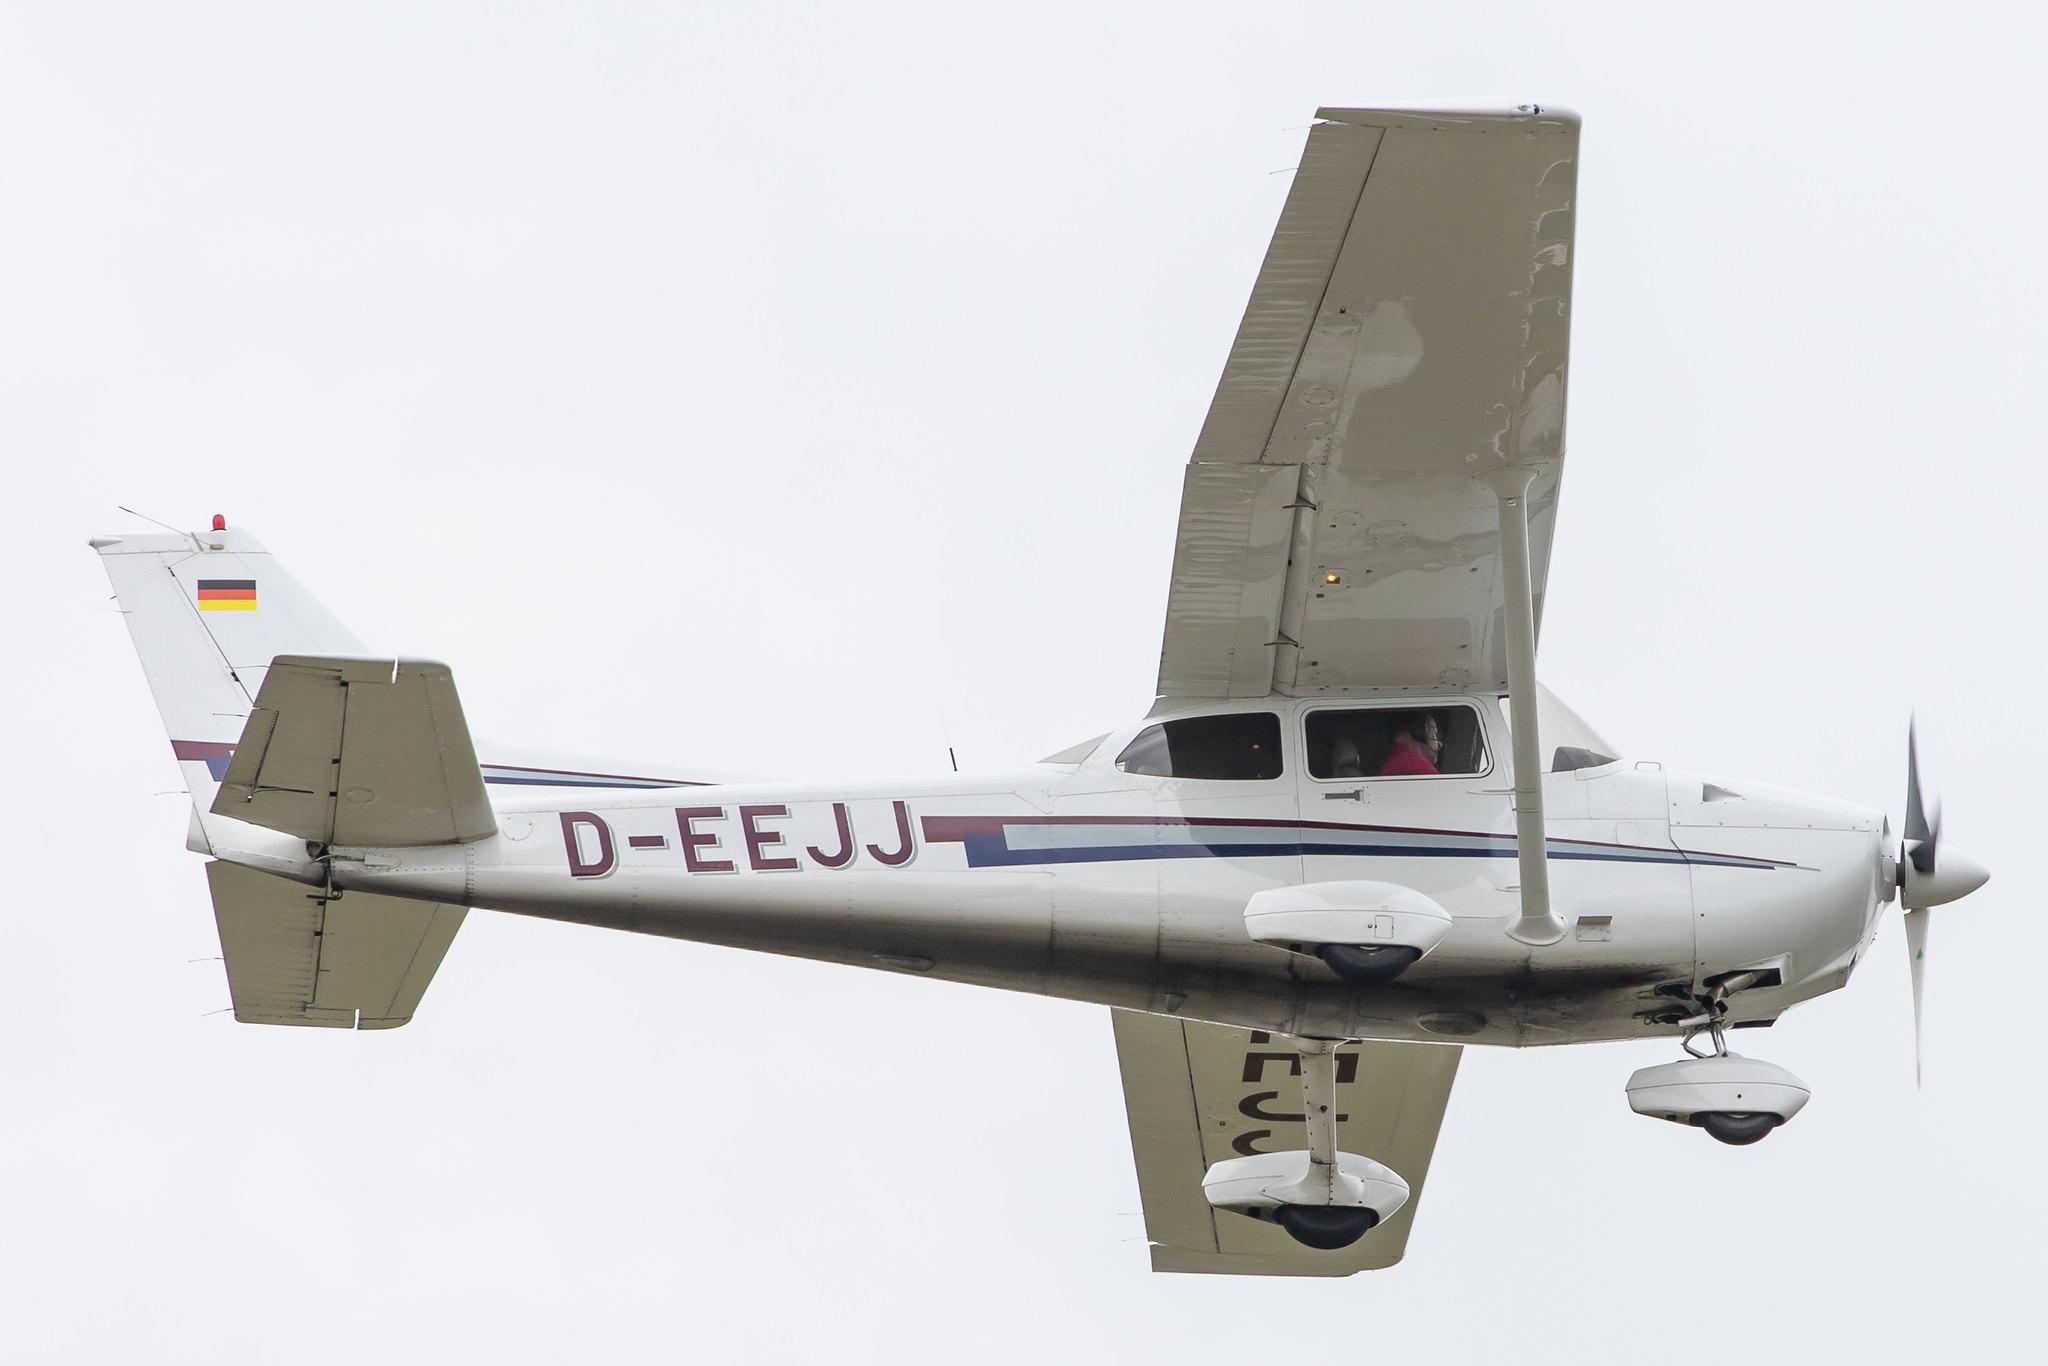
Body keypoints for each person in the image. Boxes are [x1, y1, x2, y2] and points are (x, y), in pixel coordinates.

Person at [1377, 711, 1442, 776]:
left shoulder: (1394, 762)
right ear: (1419, 730)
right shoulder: (1416, 764)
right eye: (1435, 733)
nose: (1439, 744)